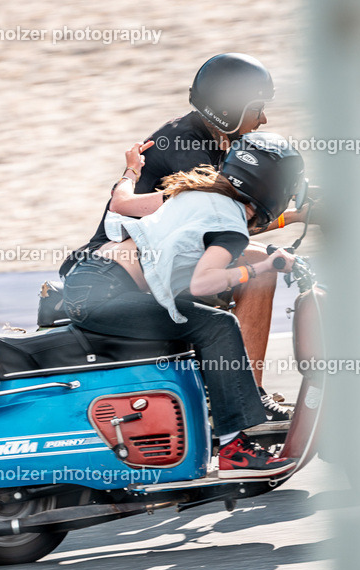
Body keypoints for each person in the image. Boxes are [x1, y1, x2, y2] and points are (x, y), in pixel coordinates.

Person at [59, 53, 307, 420]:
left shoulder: (206, 139)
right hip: (120, 267)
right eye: (258, 108)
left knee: (246, 266)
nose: (264, 119)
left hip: (139, 262)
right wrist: (295, 216)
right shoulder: (186, 147)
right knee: (259, 268)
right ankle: (248, 397)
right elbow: (223, 223)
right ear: (231, 108)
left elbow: (235, 208)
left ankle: (228, 394)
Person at [62, 133, 307, 478]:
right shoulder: (230, 228)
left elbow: (120, 203)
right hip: (105, 295)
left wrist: (131, 170)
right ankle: (235, 450)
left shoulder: (194, 192)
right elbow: (203, 283)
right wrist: (264, 267)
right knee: (219, 326)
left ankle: (209, 421)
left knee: (198, 320)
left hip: (87, 279)